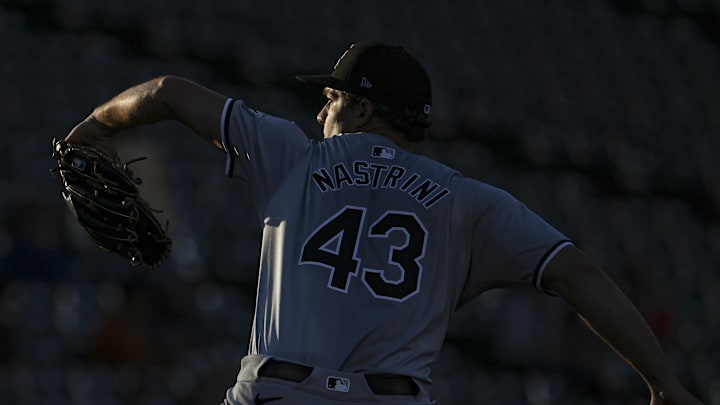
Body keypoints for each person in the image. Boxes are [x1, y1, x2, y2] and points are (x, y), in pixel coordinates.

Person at [63, 40, 703, 405]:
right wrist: (663, 382)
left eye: (332, 97)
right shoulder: (468, 202)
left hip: (280, 393)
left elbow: (169, 91)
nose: (322, 110)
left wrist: (89, 130)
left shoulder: (295, 157)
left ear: (364, 109)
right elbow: (577, 273)